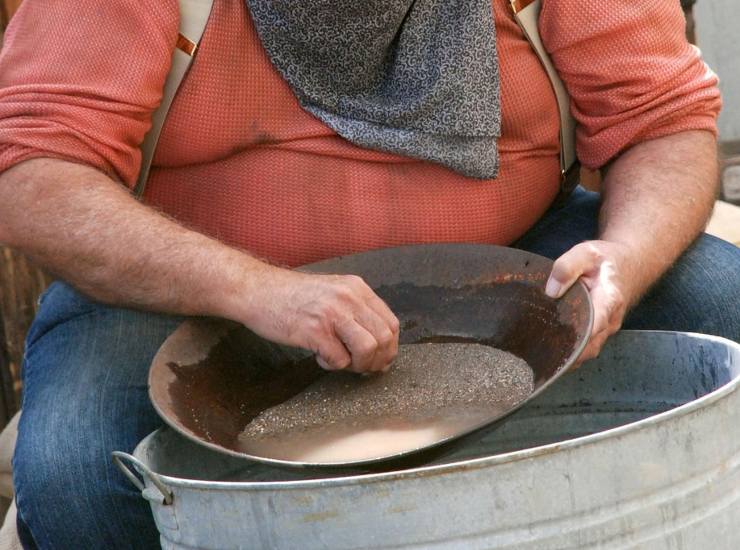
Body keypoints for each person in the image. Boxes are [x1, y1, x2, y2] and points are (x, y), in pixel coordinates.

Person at [0, 0, 737, 547]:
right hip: (197, 288)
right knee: (73, 472)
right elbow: (31, 173)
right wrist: (253, 288)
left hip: (515, 247)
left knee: (722, 300)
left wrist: (629, 257)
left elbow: (661, 117)